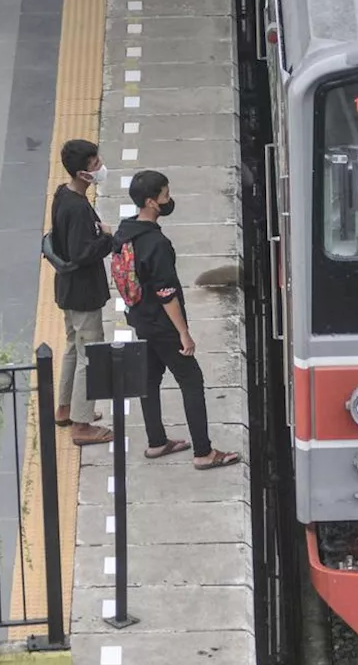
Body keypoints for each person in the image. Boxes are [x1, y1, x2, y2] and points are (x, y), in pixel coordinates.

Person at [111, 170, 240, 470]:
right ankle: (204, 453)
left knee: (150, 379)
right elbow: (166, 293)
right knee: (191, 380)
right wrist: (184, 333)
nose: (169, 201)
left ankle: (157, 442)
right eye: (165, 196)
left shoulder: (124, 232)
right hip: (162, 324)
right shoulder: (156, 243)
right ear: (151, 202)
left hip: (139, 319)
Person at [50, 139, 115, 446]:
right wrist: (106, 239)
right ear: (83, 173)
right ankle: (82, 424)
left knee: (74, 348)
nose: (100, 166)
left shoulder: (62, 195)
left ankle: (66, 408)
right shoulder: (76, 208)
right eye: (94, 164)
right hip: (83, 293)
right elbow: (80, 253)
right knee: (89, 354)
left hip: (67, 290)